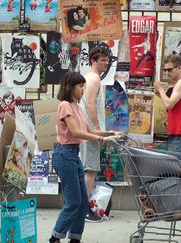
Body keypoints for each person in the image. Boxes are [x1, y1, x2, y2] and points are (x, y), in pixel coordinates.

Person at [48, 71, 122, 243]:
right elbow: (76, 131)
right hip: (65, 154)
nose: (83, 89)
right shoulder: (65, 105)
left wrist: (111, 132)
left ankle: (75, 238)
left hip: (74, 154)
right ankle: (55, 237)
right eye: (80, 86)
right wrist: (101, 139)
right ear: (70, 87)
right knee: (74, 202)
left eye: (83, 86)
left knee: (82, 203)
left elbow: (90, 130)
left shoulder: (77, 107)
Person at [79, 46, 109, 222]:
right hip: (90, 132)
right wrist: (97, 129)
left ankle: (79, 207)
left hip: (85, 131)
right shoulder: (94, 78)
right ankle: (82, 210)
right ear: (93, 61)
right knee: (90, 170)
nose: (106, 63)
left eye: (107, 60)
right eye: (102, 60)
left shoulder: (87, 77)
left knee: (86, 169)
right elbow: (90, 103)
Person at [154, 54, 181, 155]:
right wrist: (160, 94)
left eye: (170, 70)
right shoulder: (180, 83)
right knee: (174, 168)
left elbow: (169, 105)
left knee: (176, 170)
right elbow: (173, 104)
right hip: (177, 134)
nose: (167, 73)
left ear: (179, 68)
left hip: (180, 134)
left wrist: (160, 89)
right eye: (165, 70)